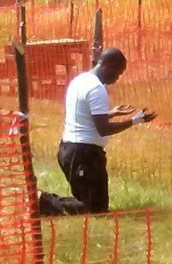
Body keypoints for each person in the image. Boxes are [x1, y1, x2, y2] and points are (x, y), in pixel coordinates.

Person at [39, 48, 157, 216]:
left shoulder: (79, 80)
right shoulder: (96, 88)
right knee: (92, 210)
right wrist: (136, 120)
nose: (117, 78)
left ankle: (43, 202)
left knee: (97, 207)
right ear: (110, 65)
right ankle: (41, 201)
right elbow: (103, 129)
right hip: (84, 154)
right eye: (118, 73)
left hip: (70, 150)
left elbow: (85, 115)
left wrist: (111, 113)